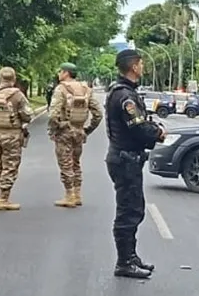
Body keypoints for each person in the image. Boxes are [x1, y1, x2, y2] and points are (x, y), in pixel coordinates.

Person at [105, 49, 165, 279]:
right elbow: (138, 128)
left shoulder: (122, 92)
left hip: (125, 158)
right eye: (141, 63)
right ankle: (124, 261)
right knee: (129, 211)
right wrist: (157, 133)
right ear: (134, 67)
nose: (143, 66)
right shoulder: (125, 96)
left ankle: (130, 256)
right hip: (125, 159)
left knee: (133, 209)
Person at [48, 62, 103, 207]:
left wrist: (56, 128)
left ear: (66, 73)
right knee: (76, 163)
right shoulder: (86, 90)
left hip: (64, 132)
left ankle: (69, 195)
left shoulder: (61, 89)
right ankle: (78, 194)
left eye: (60, 71)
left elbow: (53, 114)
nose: (59, 74)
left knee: (65, 164)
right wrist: (87, 130)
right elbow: (98, 114)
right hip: (79, 132)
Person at [0, 67, 32, 211]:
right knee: (10, 166)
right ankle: (3, 198)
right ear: (14, 79)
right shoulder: (17, 95)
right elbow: (27, 115)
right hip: (12, 135)